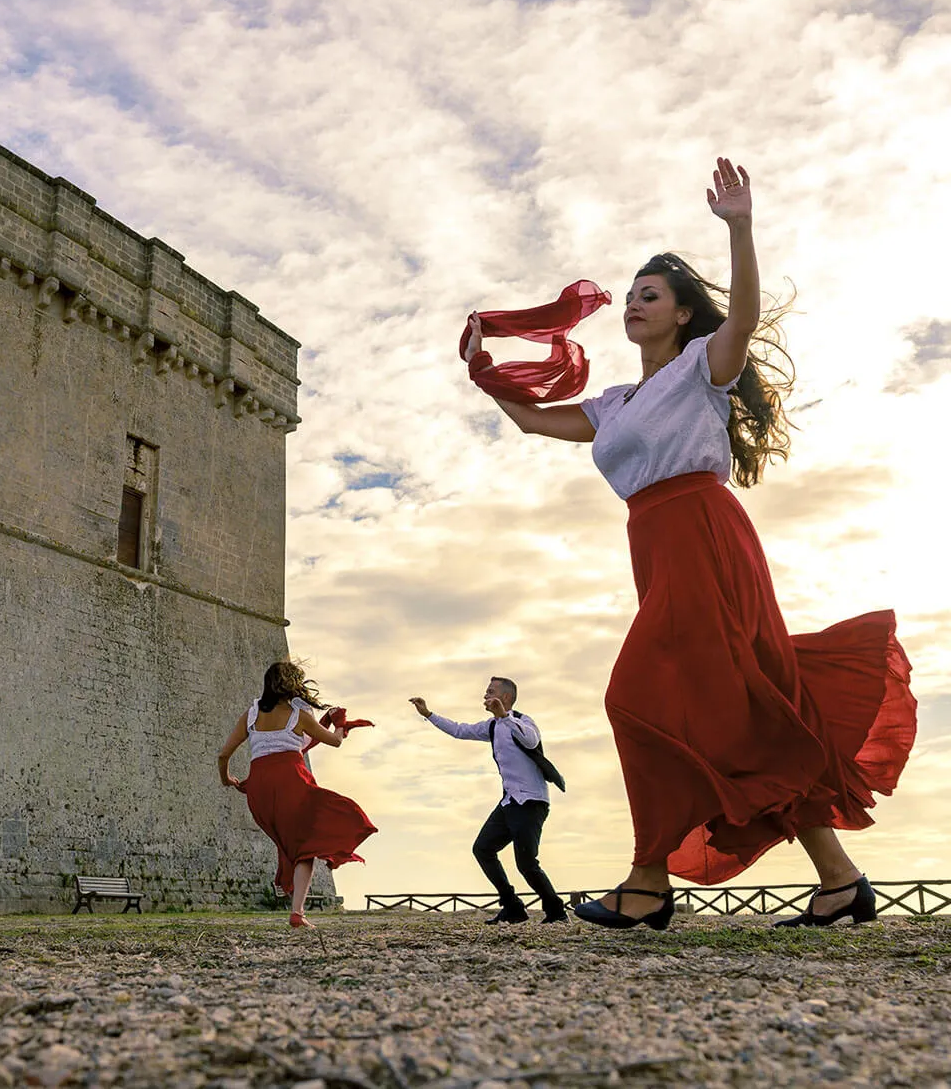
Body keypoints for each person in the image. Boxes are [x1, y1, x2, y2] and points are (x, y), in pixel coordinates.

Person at [461, 158, 916, 930]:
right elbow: (537, 420)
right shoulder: (615, 402)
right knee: (744, 711)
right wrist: (482, 367)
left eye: (651, 297)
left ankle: (646, 883)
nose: (635, 306)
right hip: (657, 546)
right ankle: (840, 884)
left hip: (705, 537)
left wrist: (740, 226)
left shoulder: (702, 370)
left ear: (679, 315)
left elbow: (740, 319)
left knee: (632, 697)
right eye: (631, 297)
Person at [218, 660, 376, 928]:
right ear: (292, 685)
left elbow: (223, 754)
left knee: (292, 844)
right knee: (310, 842)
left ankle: (290, 894)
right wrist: (339, 723)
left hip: (259, 792)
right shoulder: (299, 716)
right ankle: (297, 910)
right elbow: (335, 741)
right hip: (291, 782)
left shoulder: (251, 714)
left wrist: (227, 780)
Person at [410, 677, 568, 924]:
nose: (485, 695)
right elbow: (459, 730)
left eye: (490, 691)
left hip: (531, 802)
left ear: (505, 697)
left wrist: (505, 716)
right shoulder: (491, 727)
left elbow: (531, 741)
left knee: (526, 863)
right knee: (482, 849)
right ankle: (513, 907)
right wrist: (428, 714)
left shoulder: (524, 721)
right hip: (508, 803)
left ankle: (557, 912)